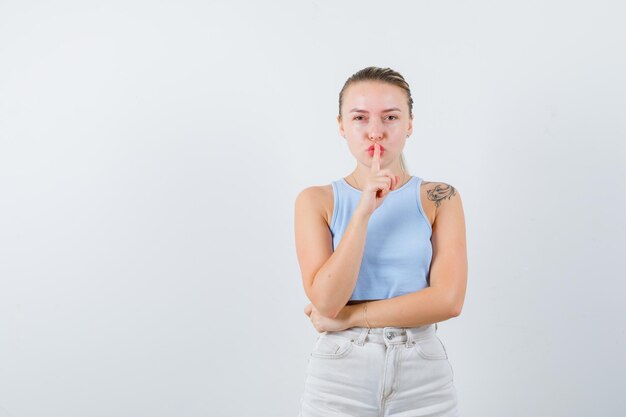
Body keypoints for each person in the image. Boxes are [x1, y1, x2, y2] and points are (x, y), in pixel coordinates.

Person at [293, 66, 467, 417]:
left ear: (410, 125)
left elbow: (448, 300)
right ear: (342, 126)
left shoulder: (439, 197)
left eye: (390, 117)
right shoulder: (316, 201)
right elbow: (327, 302)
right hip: (340, 372)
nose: (376, 132)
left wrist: (350, 317)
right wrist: (362, 213)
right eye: (360, 118)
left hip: (422, 370)